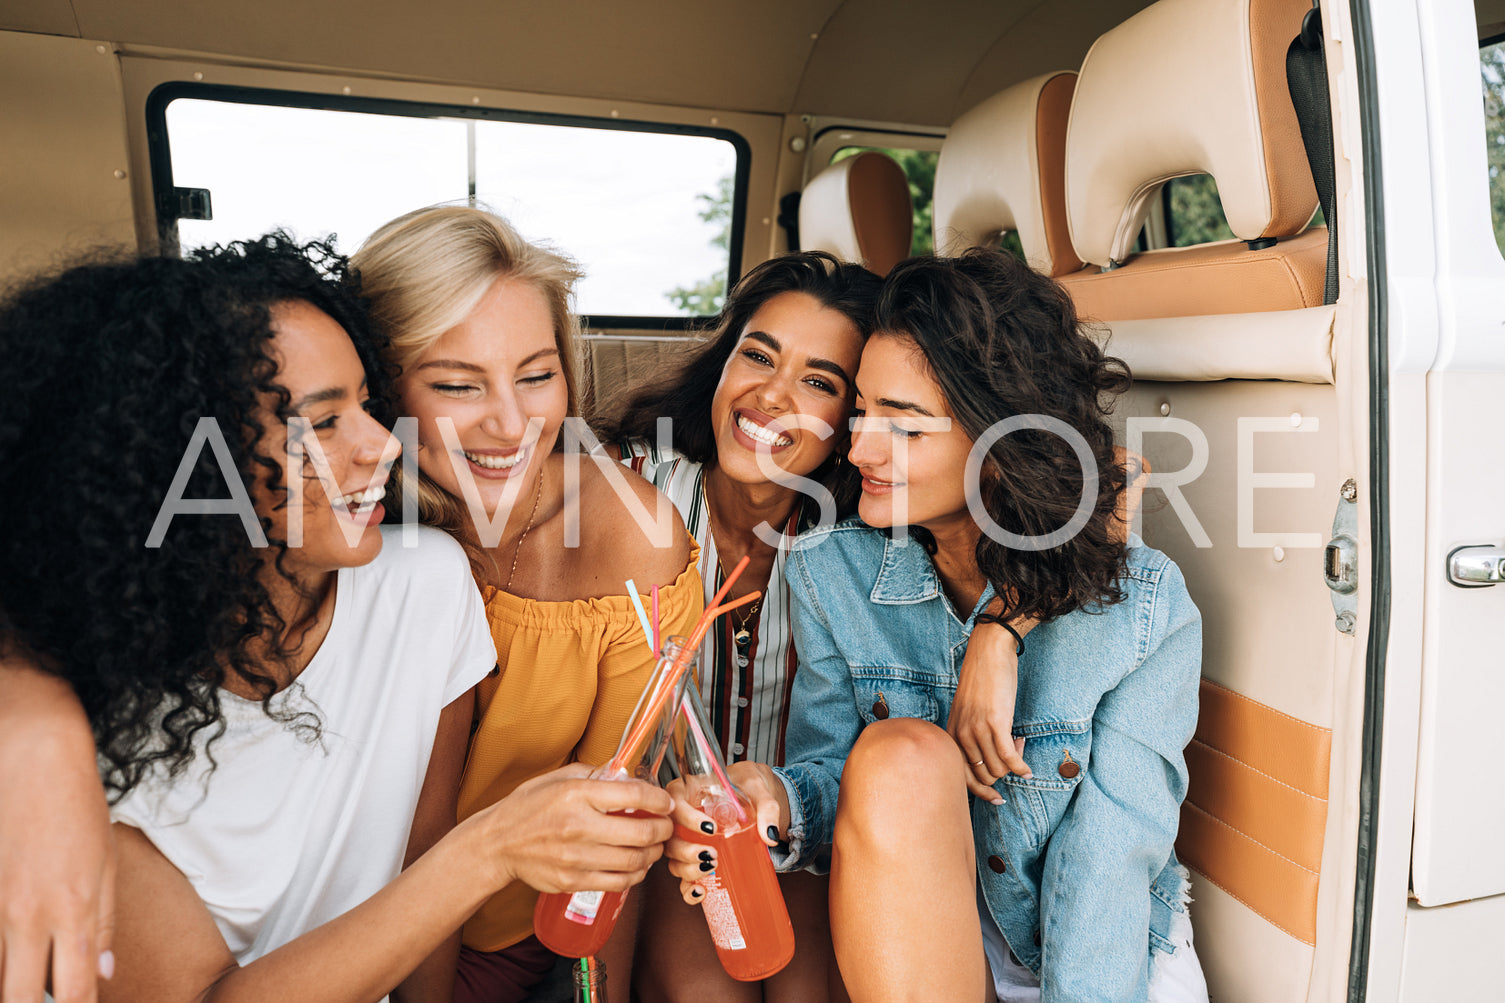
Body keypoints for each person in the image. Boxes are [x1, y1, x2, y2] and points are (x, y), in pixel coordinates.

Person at [0, 236, 674, 1003]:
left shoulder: (425, 584)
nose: (383, 444)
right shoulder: (78, 723)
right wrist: (492, 848)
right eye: (320, 424)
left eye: (365, 403)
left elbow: (421, 859)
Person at [668, 249, 1208, 1001]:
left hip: (1095, 960)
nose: (856, 450)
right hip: (917, 935)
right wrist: (777, 800)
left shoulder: (1141, 610)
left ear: (998, 448)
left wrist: (1000, 630)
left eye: (905, 426)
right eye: (860, 410)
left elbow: (1107, 867)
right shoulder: (834, 567)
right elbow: (833, 788)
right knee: (897, 755)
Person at [595, 252, 1030, 1002]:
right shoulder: (623, 486)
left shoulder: (878, 528)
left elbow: (1103, 487)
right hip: (673, 841)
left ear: (850, 419)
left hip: (803, 830)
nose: (769, 395)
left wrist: (1001, 623)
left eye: (819, 382)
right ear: (723, 362)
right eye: (756, 355)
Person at [351, 206, 702, 1002]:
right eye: (454, 384)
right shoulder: (343, 519)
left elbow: (616, 828)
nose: (509, 424)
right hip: (333, 920)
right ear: (376, 385)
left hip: (498, 938)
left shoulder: (631, 537)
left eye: (536, 375)